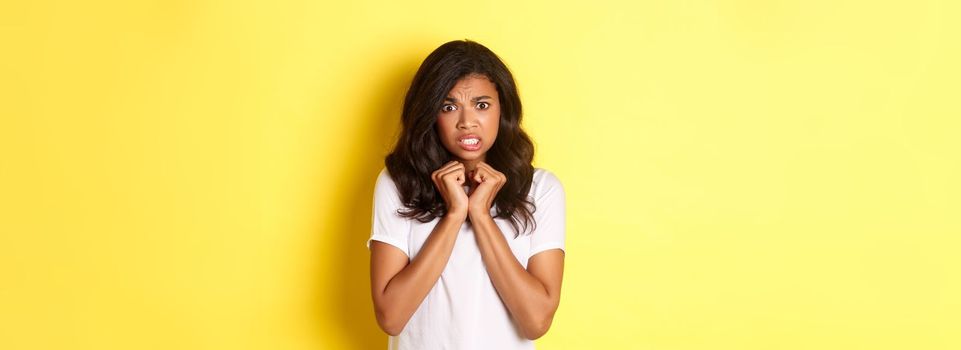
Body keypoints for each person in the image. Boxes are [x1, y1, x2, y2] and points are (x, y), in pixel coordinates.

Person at [366, 39, 566, 350]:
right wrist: (455, 215)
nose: (467, 122)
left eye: (482, 105)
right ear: (431, 114)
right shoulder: (398, 182)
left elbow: (536, 322)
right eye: (449, 107)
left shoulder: (540, 190)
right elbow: (391, 317)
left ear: (504, 109)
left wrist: (482, 216)